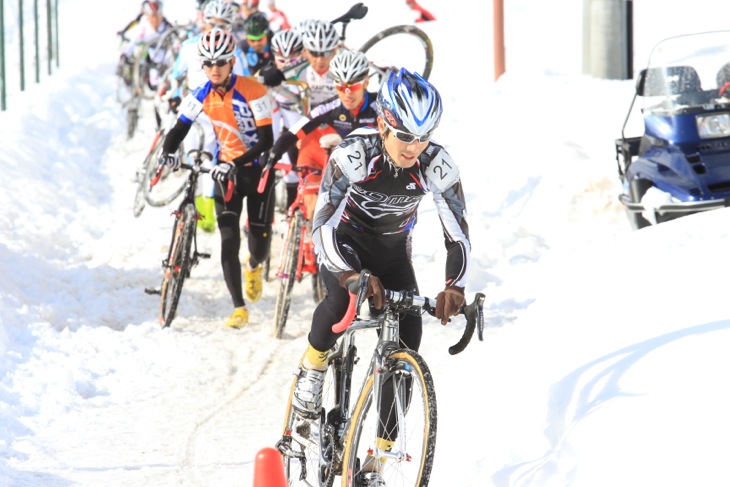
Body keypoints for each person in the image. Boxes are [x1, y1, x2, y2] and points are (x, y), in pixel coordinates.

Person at [289, 68, 470, 486]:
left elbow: (457, 234)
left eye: (424, 136)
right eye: (405, 136)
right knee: (339, 306)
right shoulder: (354, 155)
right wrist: (349, 274)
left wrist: (454, 286)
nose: (414, 147)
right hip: (346, 246)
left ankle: (380, 458)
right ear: (384, 124)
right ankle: (312, 376)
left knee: (409, 339)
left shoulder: (436, 164)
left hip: (391, 257)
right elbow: (324, 226)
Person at [159, 28, 275, 329]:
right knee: (228, 239)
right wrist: (167, 152)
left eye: (220, 62)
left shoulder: (253, 90)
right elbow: (179, 128)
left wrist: (235, 162)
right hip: (227, 173)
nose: (213, 69)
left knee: (258, 245)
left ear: (231, 62)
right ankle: (238, 308)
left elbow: (266, 140)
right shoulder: (201, 93)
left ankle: (253, 266)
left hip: (258, 170)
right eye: (207, 63)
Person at [267, 49, 378, 217]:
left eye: (353, 86)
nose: (347, 93)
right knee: (314, 207)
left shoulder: (380, 107)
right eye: (341, 86)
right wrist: (274, 152)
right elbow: (296, 131)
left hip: (369, 166)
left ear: (366, 82)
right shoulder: (330, 106)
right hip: (342, 161)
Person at [167, 0, 245, 233]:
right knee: (192, 159)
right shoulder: (190, 46)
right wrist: (173, 94)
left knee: (211, 160)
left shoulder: (235, 51)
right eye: (213, 24)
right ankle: (196, 202)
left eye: (224, 25)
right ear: (205, 21)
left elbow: (246, 83)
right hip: (194, 106)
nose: (217, 29)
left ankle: (208, 211)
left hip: (220, 112)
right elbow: (175, 74)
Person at [116, 0, 174, 92]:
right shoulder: (144, 27)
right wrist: (124, 54)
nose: (155, 20)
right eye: (152, 17)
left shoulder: (167, 27)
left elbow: (174, 42)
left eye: (157, 17)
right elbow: (134, 41)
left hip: (161, 58)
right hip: (148, 55)